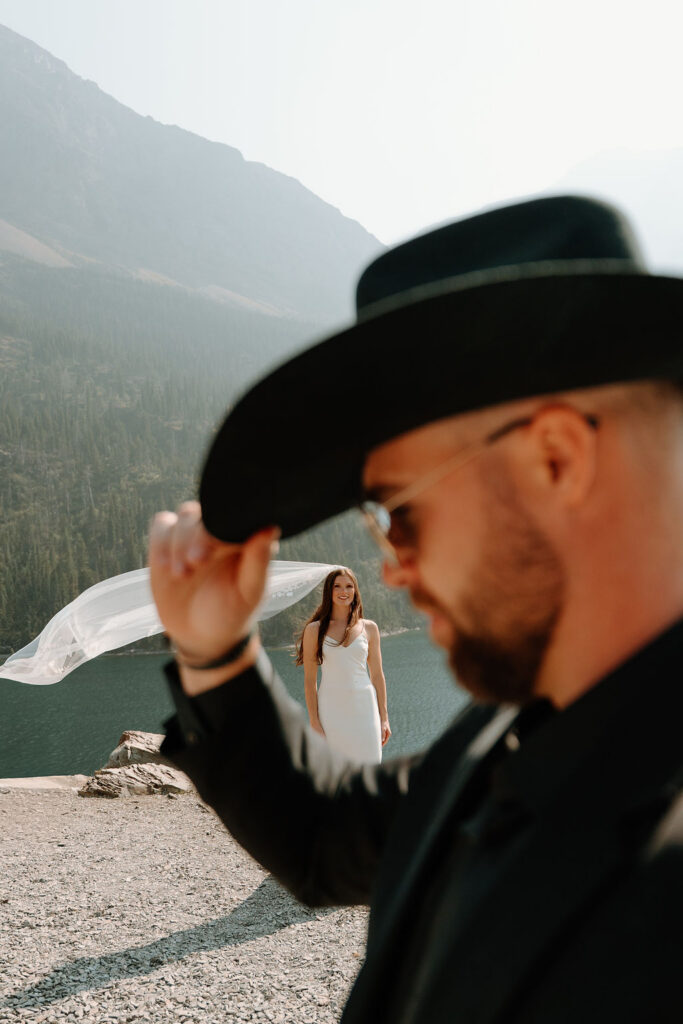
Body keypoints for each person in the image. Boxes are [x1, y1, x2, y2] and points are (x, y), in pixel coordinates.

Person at [149, 195, 683, 1023]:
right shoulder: (495, 736)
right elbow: (327, 840)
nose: (390, 568)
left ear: (554, 458)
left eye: (400, 510)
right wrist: (213, 653)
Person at [295, 566, 390, 762]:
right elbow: (310, 681)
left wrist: (384, 718)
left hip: (365, 709)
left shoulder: (369, 628)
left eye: (348, 586)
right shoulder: (314, 630)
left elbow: (378, 676)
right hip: (331, 711)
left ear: (355, 591)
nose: (343, 591)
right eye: (337, 586)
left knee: (370, 771)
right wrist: (314, 720)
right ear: (329, 591)